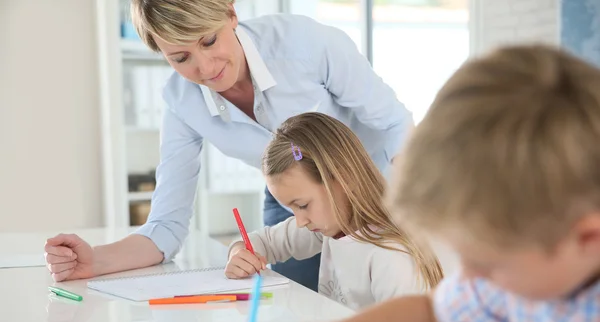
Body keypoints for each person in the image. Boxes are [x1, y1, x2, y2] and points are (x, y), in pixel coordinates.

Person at [212, 45, 600, 322]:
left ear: (588, 237)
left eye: (487, 263)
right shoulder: (518, 271)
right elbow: (430, 316)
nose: (467, 278)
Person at [43, 0, 413, 291]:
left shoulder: (307, 44)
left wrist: (385, 207)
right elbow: (166, 225)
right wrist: (96, 261)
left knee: (380, 294)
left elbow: (396, 123)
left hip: (383, 183)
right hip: (292, 198)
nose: (205, 68)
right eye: (181, 58)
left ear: (231, 13)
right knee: (303, 305)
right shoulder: (181, 102)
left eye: (209, 40)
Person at [225, 112, 444, 311]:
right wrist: (239, 253)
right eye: (291, 208)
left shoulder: (391, 256)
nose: (300, 221)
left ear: (343, 178)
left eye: (302, 205)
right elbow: (265, 242)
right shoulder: (333, 225)